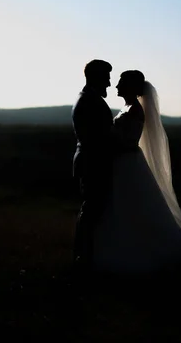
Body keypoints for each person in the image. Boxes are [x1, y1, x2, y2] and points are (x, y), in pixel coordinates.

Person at [92, 70, 181, 274]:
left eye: (121, 83)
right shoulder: (128, 108)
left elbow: (129, 141)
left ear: (131, 87)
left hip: (128, 165)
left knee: (131, 207)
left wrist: (108, 139)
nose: (116, 86)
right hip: (121, 163)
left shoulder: (135, 111)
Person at [71, 59, 114, 271]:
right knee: (92, 210)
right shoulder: (90, 101)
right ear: (96, 78)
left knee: (92, 210)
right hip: (92, 163)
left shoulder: (88, 98)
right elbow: (98, 139)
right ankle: (84, 257)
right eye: (106, 78)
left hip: (90, 161)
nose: (108, 84)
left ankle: (86, 255)